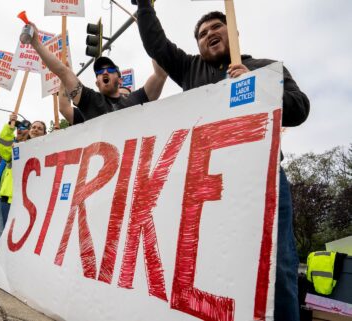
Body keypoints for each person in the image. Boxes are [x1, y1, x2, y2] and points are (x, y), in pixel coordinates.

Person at [133, 3, 310, 319]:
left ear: (234, 33)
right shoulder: (191, 70)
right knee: (209, 266)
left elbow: (299, 109)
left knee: (276, 265)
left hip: (262, 181)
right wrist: (144, 4)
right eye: (202, 34)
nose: (209, 34)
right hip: (207, 188)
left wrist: (259, 87)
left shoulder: (267, 68)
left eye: (216, 27)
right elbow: (155, 44)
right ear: (198, 48)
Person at [27, 22, 168, 123]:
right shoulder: (90, 101)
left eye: (111, 70)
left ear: (120, 80)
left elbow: (161, 73)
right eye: (100, 72)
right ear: (97, 82)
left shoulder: (137, 98)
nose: (105, 72)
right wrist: (36, 43)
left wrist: (146, 26)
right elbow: (62, 72)